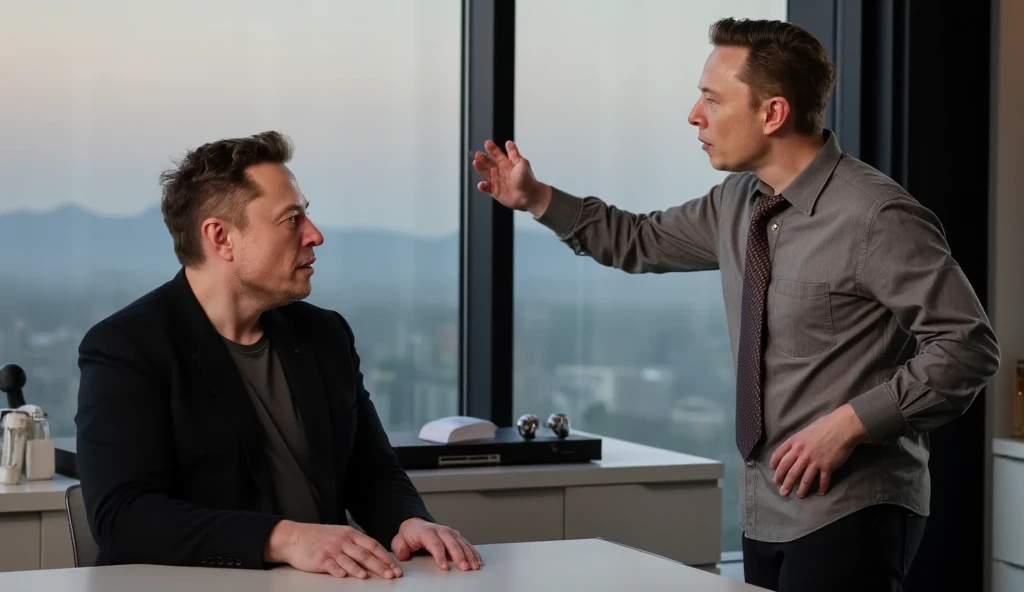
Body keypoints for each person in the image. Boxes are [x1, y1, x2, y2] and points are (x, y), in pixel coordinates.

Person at [472, 17, 999, 592]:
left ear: (772, 113)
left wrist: (850, 424)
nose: (694, 116)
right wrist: (537, 198)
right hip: (765, 507)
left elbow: (967, 347)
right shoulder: (737, 204)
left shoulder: (876, 216)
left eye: (711, 99)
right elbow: (639, 239)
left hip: (853, 507)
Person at [75, 131, 482, 580]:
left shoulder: (324, 334)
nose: (315, 234)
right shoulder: (125, 346)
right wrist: (287, 538)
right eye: (291, 219)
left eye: (306, 214)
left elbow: (371, 471)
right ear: (221, 237)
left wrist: (408, 522)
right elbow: (123, 516)